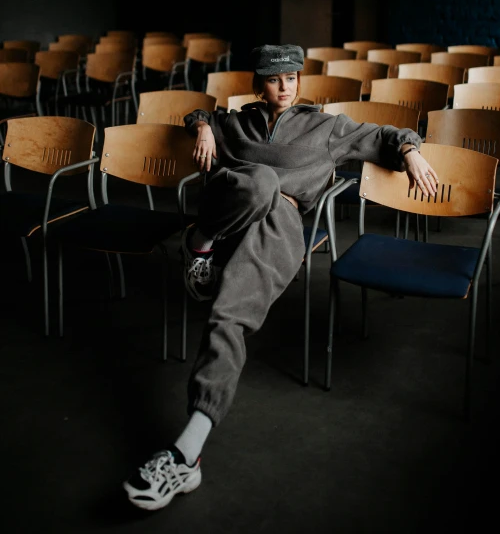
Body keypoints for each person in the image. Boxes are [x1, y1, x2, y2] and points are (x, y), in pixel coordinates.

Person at [123, 43, 438, 511]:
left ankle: (186, 452)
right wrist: (204, 125)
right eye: (274, 79)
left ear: (300, 81)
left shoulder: (327, 126)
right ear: (259, 84)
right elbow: (194, 111)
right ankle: (201, 241)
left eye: (292, 77)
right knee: (257, 182)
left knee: (229, 316)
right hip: (229, 210)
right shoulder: (237, 121)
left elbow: (383, 134)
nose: (285, 86)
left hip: (279, 226)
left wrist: (410, 150)